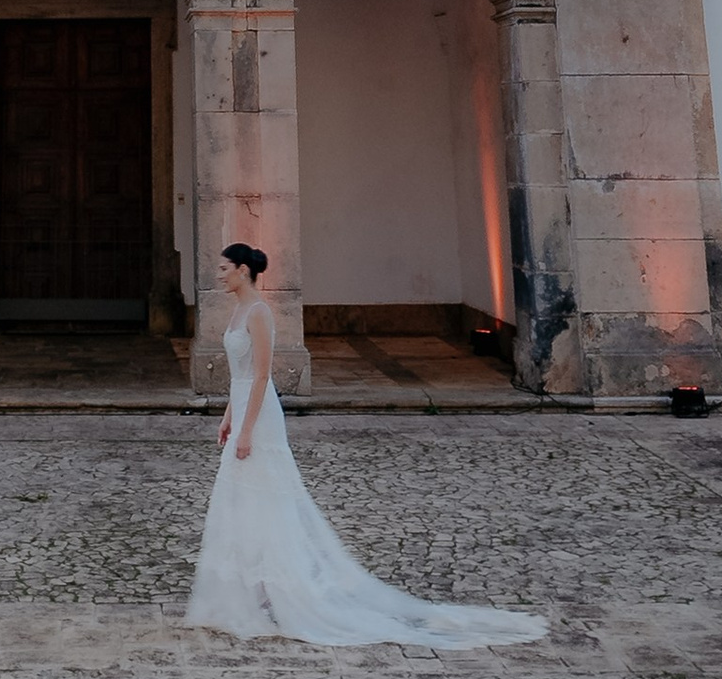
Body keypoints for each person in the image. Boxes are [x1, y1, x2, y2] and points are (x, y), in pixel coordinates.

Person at [187, 241, 546, 650]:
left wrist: (247, 430)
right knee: (242, 498)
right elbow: (239, 374)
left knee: (268, 496)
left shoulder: (259, 313)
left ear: (244, 271)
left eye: (224, 267)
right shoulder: (235, 310)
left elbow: (262, 376)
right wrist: (227, 418)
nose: (219, 274)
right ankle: (255, 588)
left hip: (262, 417)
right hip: (243, 408)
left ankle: (280, 586)